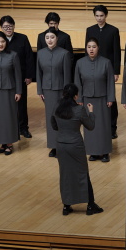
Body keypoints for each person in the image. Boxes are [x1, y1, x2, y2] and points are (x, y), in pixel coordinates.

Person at [51, 84, 103, 216]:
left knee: (65, 175)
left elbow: (54, 125)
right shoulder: (79, 109)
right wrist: (91, 112)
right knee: (83, 173)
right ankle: (90, 205)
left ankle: (66, 206)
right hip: (75, 145)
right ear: (76, 96)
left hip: (61, 145)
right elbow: (90, 126)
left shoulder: (57, 107)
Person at [74, 38, 115, 162]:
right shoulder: (80, 63)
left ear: (98, 48)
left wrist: (110, 98)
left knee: (103, 126)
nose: (91, 49)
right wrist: (79, 98)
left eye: (94, 47)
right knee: (90, 126)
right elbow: (77, 82)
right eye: (89, 47)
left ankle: (105, 152)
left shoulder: (106, 62)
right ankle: (92, 152)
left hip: (103, 99)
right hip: (87, 99)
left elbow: (110, 82)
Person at [85, 5, 121, 139]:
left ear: (106, 16)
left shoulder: (113, 30)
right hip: (93, 68)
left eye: (101, 16)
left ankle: (112, 128)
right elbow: (87, 50)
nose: (99, 18)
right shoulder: (90, 30)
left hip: (108, 69)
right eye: (97, 16)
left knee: (111, 98)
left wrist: (116, 71)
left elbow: (116, 51)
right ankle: (96, 124)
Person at [37, 27, 72, 158]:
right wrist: (40, 90)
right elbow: (38, 73)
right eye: (47, 38)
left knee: (62, 118)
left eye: (52, 37)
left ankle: (63, 145)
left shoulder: (64, 53)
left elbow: (67, 75)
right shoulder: (40, 53)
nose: (50, 40)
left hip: (61, 91)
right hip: (47, 90)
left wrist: (66, 94)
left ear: (57, 38)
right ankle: (53, 146)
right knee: (50, 118)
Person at [0, 15, 33, 138]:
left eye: (10, 26)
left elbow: (29, 57)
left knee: (22, 104)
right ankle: (10, 128)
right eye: (5, 27)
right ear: (1, 28)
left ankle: (23, 128)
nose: (8, 29)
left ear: (14, 26)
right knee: (7, 104)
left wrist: (29, 75)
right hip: (5, 78)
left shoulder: (22, 38)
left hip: (21, 77)